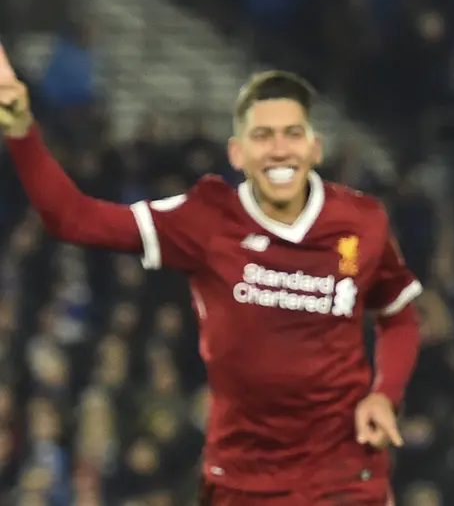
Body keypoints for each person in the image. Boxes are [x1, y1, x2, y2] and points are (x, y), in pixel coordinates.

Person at [0, 53, 421, 505]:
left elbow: (400, 317)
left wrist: (384, 394)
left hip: (344, 479)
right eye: (263, 136)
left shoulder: (362, 221)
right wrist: (21, 129)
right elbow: (74, 219)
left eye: (292, 134)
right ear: (237, 153)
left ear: (314, 147)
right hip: (244, 483)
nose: (280, 149)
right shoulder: (206, 217)